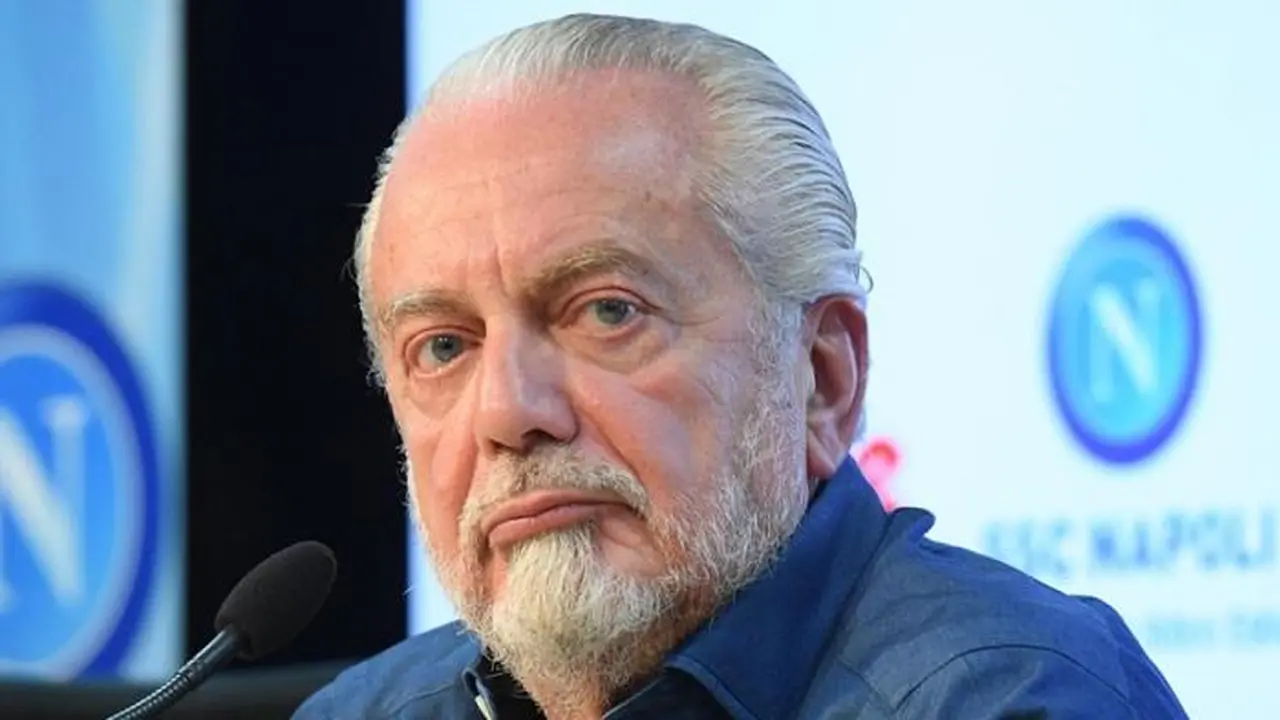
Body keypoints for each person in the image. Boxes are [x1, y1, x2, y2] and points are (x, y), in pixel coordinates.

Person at [295, 13, 1187, 720]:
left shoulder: (1008, 697)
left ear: (822, 378)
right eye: (443, 347)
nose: (507, 412)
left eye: (608, 311)